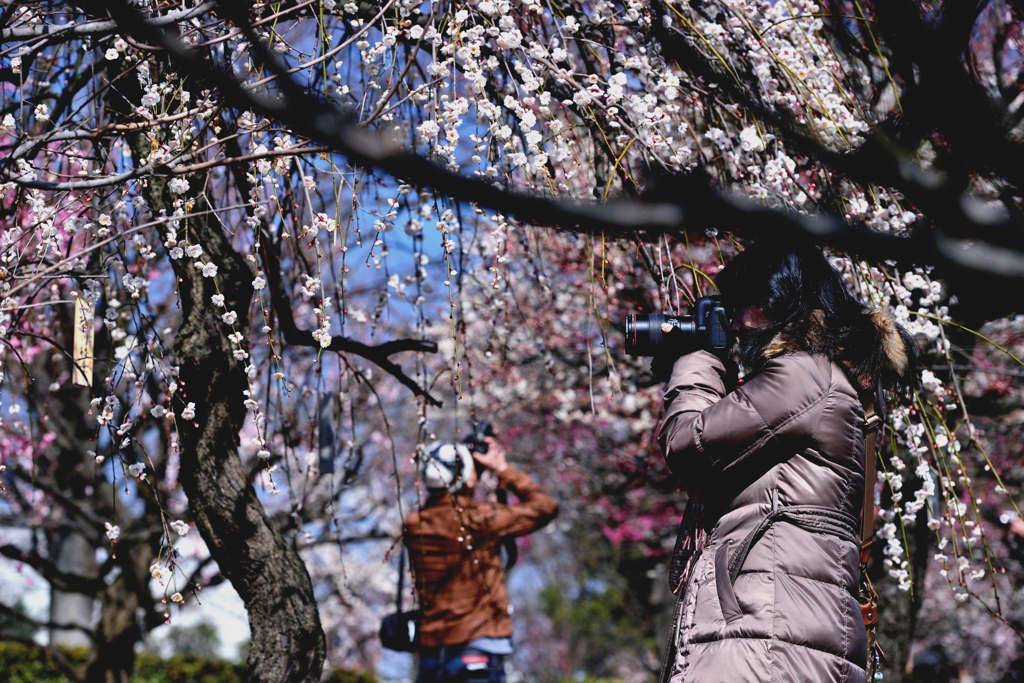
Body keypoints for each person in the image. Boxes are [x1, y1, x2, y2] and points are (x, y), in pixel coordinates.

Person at [656, 243, 917, 683]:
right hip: (789, 631)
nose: (736, 322)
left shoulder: (805, 375)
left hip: (767, 635)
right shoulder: (838, 376)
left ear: (776, 299)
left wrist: (699, 357)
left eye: (740, 306)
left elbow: (687, 443)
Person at [403, 432, 558, 683]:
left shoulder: (413, 524)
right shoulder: (479, 520)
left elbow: (445, 508)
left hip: (433, 654)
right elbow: (545, 507)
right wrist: (501, 468)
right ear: (463, 477)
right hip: (477, 648)